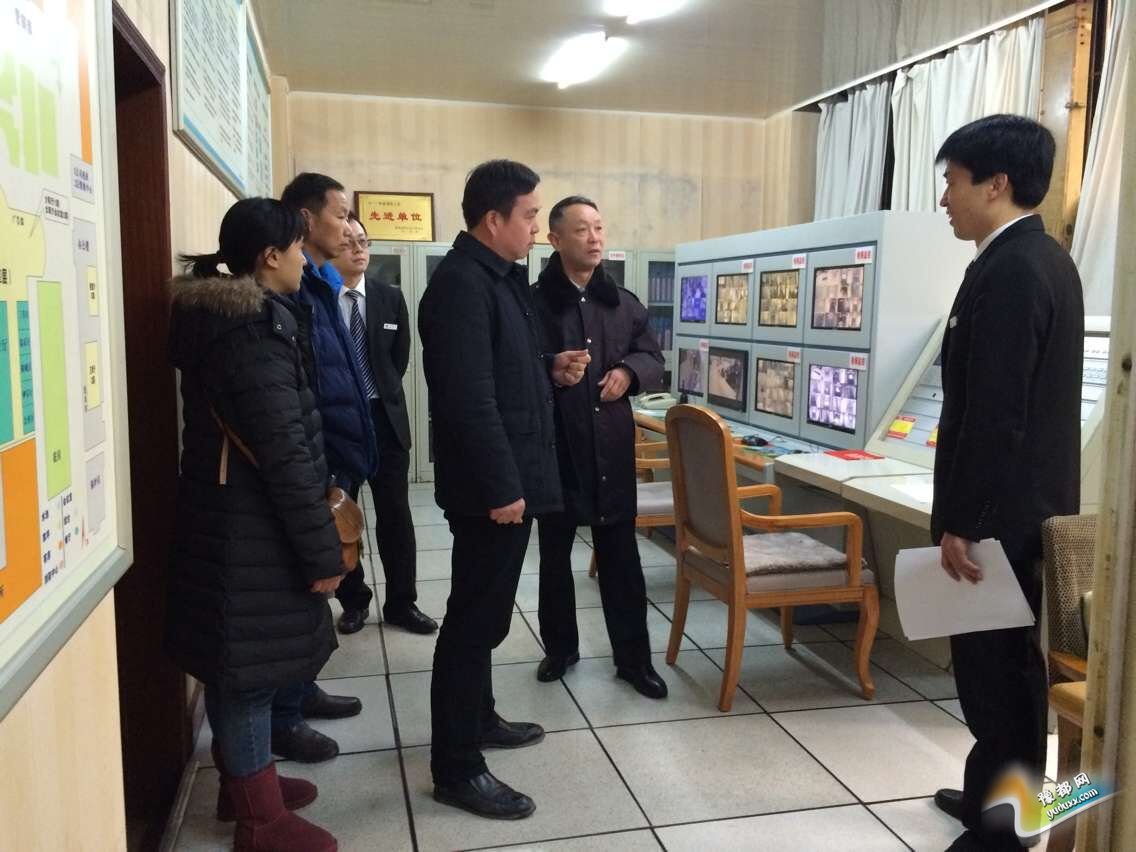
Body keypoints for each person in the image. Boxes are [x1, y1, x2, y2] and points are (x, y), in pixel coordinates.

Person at [165, 197, 342, 852]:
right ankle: (260, 823)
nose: (304, 261)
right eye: (297, 249)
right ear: (270, 256)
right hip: (248, 530)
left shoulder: (230, 321)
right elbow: (285, 453)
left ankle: (244, 785)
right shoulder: (250, 335)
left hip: (231, 521)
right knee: (247, 674)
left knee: (239, 665)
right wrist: (322, 552)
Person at [418, 159, 590, 819]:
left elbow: (501, 369)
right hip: (491, 490)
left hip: (510, 479)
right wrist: (501, 486)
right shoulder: (462, 285)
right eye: (529, 216)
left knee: (486, 617)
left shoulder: (499, 278)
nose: (537, 229)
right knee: (471, 623)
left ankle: (479, 717)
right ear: (493, 219)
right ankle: (457, 767)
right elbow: (467, 398)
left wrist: (549, 368)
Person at [930, 114, 1083, 852]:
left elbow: (998, 412)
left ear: (996, 184)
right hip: (1009, 505)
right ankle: (989, 791)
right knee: (991, 671)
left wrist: (965, 519)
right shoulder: (1021, 258)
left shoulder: (1018, 268)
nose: (945, 199)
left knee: (1002, 676)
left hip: (1001, 515)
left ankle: (1006, 829)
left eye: (953, 182)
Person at [530, 196, 668, 699]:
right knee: (554, 556)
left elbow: (652, 356)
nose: (594, 238)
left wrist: (629, 372)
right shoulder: (533, 302)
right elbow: (514, 365)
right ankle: (560, 649)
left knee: (621, 559)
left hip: (610, 446)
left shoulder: (622, 302)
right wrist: (549, 367)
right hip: (556, 446)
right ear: (555, 239)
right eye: (582, 229)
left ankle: (634, 661)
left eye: (599, 228)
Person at [270, 172, 378, 763]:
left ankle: (303, 688)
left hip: (336, 453)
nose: (348, 225)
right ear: (307, 219)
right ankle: (284, 716)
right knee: (305, 585)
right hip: (318, 458)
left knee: (322, 583)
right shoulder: (293, 286)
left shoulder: (320, 278)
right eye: (340, 214)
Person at [330, 213, 436, 636]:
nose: (359, 249)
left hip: (385, 420)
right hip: (339, 423)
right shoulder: (317, 299)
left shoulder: (389, 297)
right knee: (343, 513)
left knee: (396, 515)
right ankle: (353, 601)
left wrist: (377, 393)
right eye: (348, 241)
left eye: (363, 241)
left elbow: (398, 359)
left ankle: (402, 603)